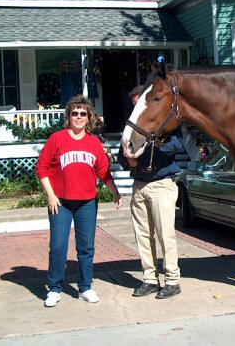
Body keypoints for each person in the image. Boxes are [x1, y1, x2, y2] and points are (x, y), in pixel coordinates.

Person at [37, 95, 121, 307]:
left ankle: (85, 287)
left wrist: (115, 193)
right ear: (69, 116)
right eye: (74, 113)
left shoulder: (94, 142)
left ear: (89, 117)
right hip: (61, 203)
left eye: (83, 113)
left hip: (86, 203)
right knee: (58, 246)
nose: (78, 117)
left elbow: (103, 171)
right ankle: (55, 288)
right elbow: (42, 168)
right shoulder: (57, 138)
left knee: (86, 248)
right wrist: (51, 195)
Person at [118, 85, 185, 299]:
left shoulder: (166, 125)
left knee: (165, 234)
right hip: (139, 184)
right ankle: (150, 279)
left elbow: (177, 145)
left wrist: (150, 143)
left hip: (161, 184)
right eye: (135, 106)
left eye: (141, 104)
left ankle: (172, 280)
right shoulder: (133, 127)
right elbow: (122, 155)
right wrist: (127, 160)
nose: (138, 109)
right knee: (143, 236)